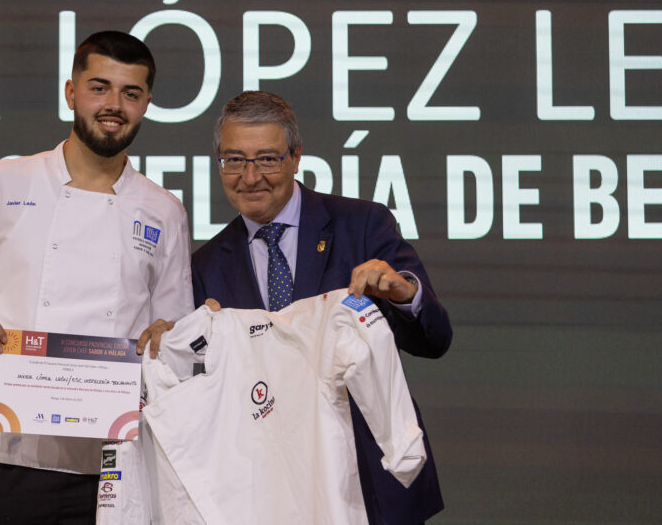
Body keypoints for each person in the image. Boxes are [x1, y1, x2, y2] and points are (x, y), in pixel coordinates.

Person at [0, 31, 192, 523]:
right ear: (71, 92)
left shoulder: (163, 209)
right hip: (2, 454)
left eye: (130, 93)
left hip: (111, 464)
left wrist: (170, 338)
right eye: (99, 88)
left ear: (147, 104)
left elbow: (172, 333)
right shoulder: (5, 181)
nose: (114, 105)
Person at [139, 90, 452, 524]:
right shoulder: (206, 267)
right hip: (272, 491)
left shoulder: (362, 225)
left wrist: (404, 294)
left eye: (267, 159)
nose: (250, 177)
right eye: (234, 160)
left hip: (372, 482)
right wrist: (170, 340)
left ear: (295, 156)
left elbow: (435, 339)